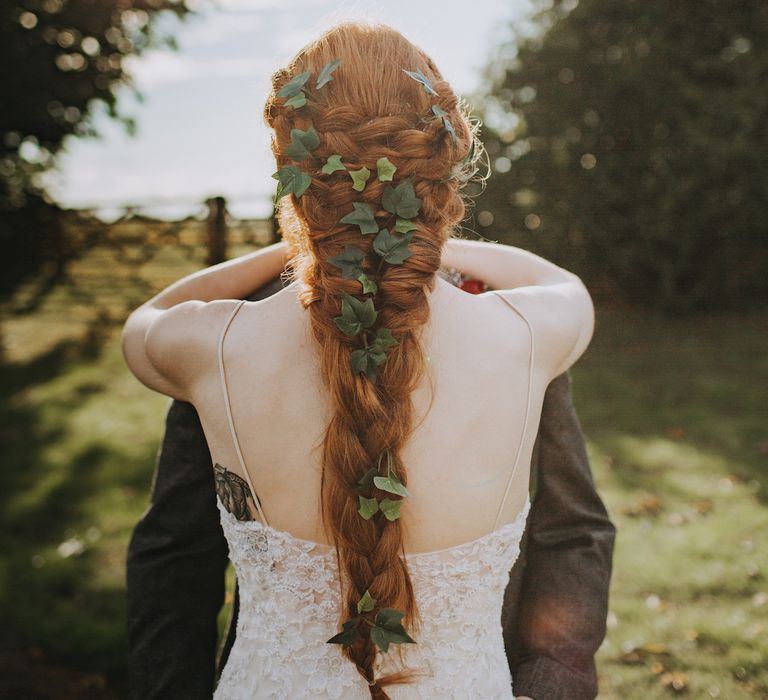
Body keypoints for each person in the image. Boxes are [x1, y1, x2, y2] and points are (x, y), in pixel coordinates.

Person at [122, 21, 613, 699]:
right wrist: (430, 245)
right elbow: (561, 283)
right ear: (442, 163)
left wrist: (309, 242)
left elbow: (144, 319)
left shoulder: (215, 347)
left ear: (292, 168)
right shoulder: (527, 334)